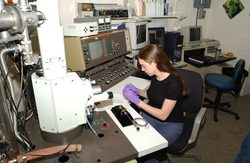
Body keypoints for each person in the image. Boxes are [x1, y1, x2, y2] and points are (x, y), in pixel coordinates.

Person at [123, 44, 189, 163]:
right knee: (131, 144)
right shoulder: (155, 77)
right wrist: (137, 91)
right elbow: (153, 95)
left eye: (144, 66)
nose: (142, 69)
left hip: (171, 124)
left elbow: (163, 115)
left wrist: (136, 101)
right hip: (151, 117)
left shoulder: (174, 84)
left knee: (145, 157)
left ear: (154, 63)